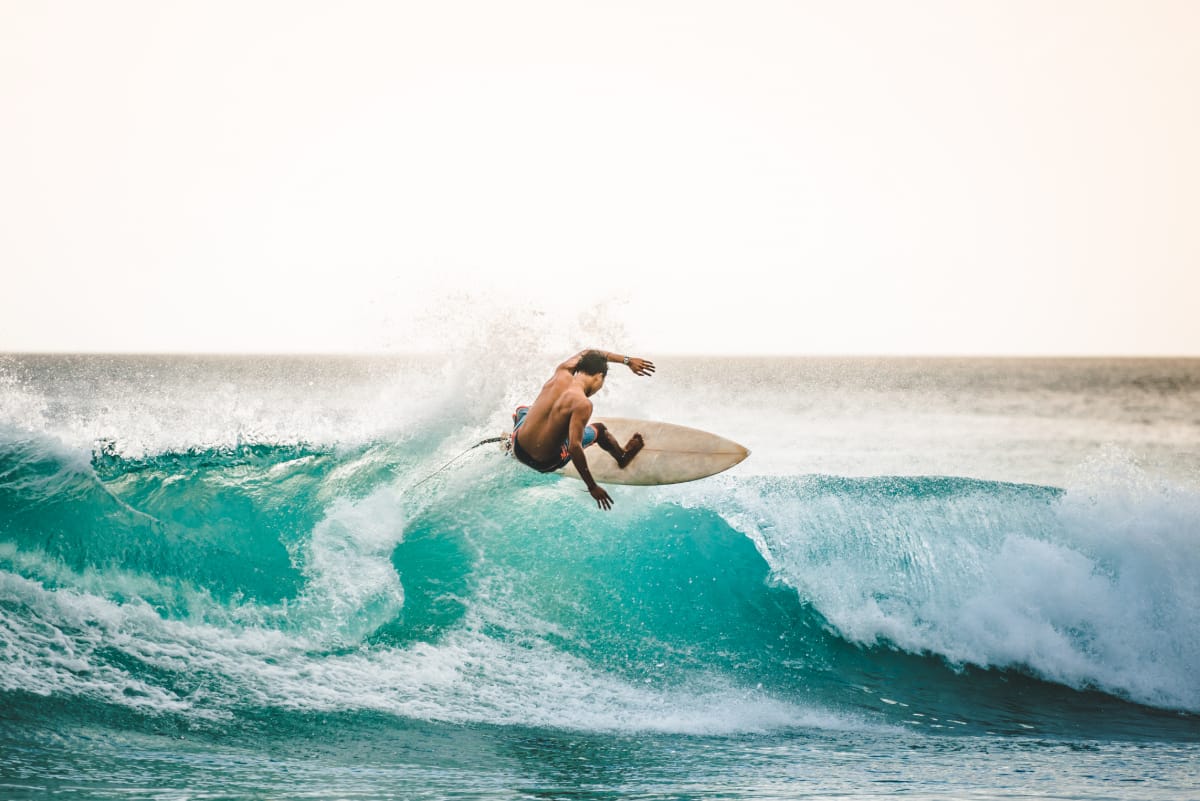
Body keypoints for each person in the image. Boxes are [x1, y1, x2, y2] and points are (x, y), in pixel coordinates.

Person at [511, 349, 655, 510]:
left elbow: (588, 351)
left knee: (523, 410)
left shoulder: (562, 371)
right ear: (599, 377)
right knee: (599, 429)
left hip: (518, 448)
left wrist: (627, 361)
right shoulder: (582, 404)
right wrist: (592, 486)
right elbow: (574, 447)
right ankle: (622, 457)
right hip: (544, 462)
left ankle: (510, 443)